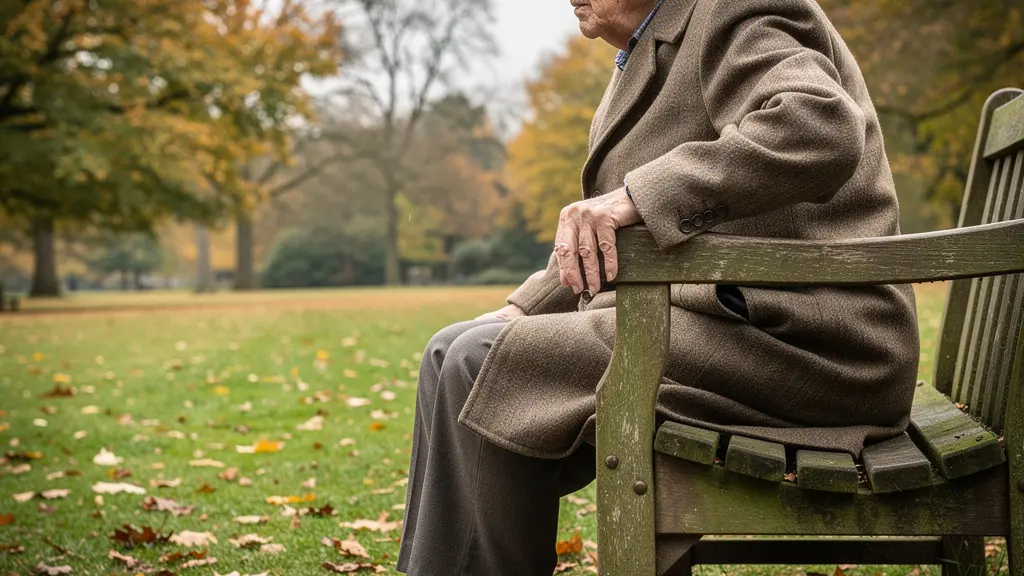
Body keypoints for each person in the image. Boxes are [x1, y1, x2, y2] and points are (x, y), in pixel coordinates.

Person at [397, 0, 919, 573]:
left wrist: (638, 195)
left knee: (479, 364)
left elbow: (817, 124)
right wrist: (525, 307)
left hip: (811, 345)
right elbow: (612, 238)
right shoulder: (646, 51)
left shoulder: (734, 9)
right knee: (452, 348)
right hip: (729, 326)